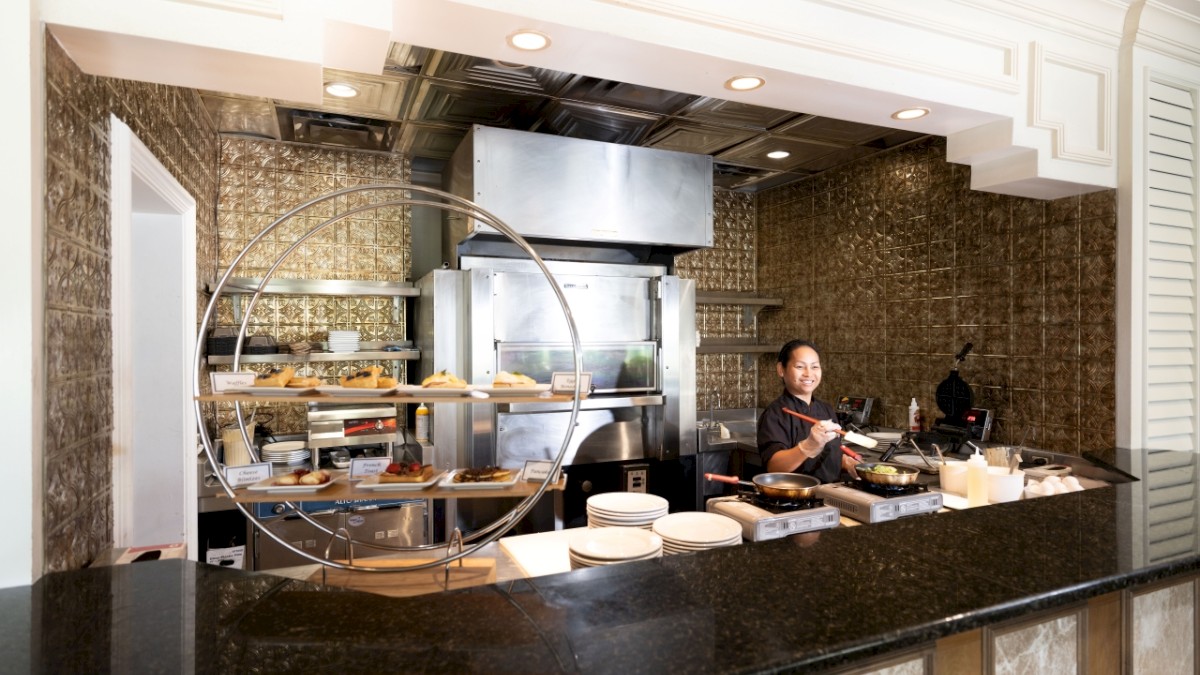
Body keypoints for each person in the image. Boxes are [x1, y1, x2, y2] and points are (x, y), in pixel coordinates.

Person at [757, 339, 858, 483]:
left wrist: (846, 462)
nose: (808, 373)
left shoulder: (826, 410)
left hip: (830, 495)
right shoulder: (775, 414)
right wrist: (807, 446)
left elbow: (829, 454)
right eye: (800, 366)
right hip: (796, 498)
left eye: (815, 367)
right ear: (781, 369)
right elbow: (774, 466)